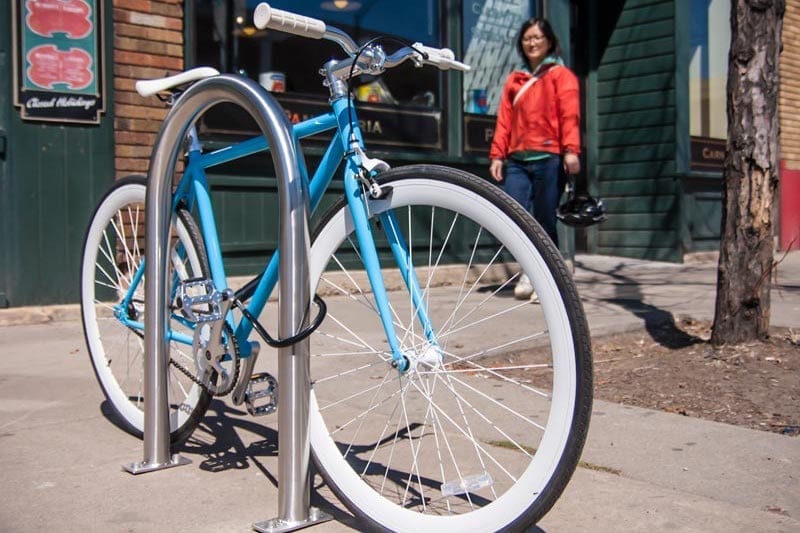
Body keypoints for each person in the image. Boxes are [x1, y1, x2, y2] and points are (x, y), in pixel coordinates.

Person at [489, 17, 581, 301]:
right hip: (517, 159)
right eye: (527, 38)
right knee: (516, 217)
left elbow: (569, 114)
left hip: (549, 157)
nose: (532, 42)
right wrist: (497, 155)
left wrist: (571, 150)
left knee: (544, 219)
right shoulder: (515, 80)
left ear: (549, 41)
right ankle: (529, 273)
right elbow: (504, 120)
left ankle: (548, 281)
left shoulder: (560, 76)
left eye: (537, 38)